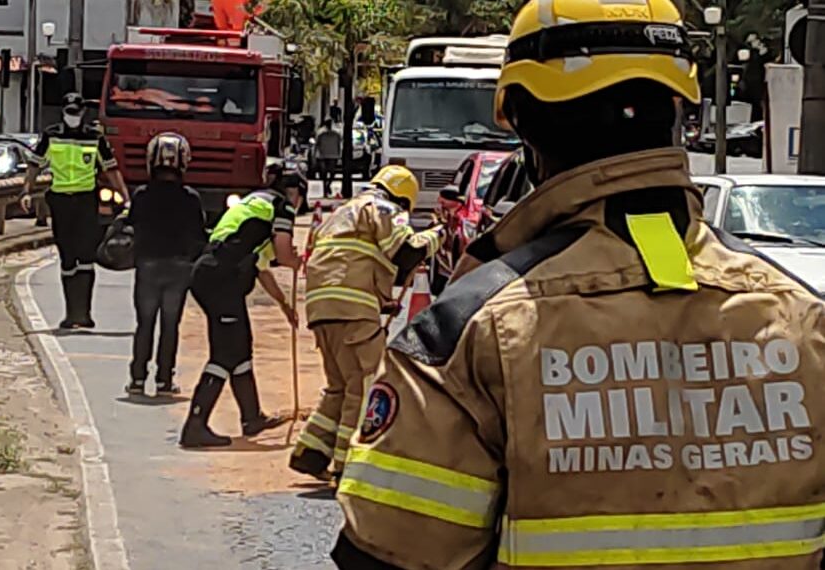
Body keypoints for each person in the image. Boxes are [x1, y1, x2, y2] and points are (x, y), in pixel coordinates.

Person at [332, 0, 825, 568]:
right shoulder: (804, 318)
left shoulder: (466, 333)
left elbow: (393, 550)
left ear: (522, 122)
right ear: (678, 111)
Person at [289, 165, 444, 482]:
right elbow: (406, 251)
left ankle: (311, 451)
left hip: (322, 308)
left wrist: (381, 296)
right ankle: (352, 464)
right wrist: (437, 234)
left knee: (340, 385)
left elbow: (353, 259)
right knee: (368, 383)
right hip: (353, 309)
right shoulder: (385, 208)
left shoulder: (341, 212)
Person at [179, 169, 306, 447]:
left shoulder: (254, 204)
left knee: (240, 347)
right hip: (220, 281)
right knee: (225, 354)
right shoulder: (280, 206)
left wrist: (284, 304)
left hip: (213, 276)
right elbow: (284, 253)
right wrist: (295, 263)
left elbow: (261, 268)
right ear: (295, 193)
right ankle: (195, 425)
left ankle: (251, 417)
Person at [21, 92, 129, 329]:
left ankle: (85, 313)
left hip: (86, 202)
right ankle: (71, 314)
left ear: (82, 113)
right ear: (63, 112)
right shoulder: (52, 135)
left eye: (76, 113)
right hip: (60, 202)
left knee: (87, 258)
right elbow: (34, 165)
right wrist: (26, 190)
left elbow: (111, 169)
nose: (73, 117)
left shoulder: (94, 138)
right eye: (69, 112)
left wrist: (125, 198)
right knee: (67, 258)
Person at [126, 133, 207, 396]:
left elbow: (131, 225)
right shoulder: (191, 198)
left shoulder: (141, 195)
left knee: (144, 324)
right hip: (179, 267)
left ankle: (137, 378)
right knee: (170, 325)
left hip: (147, 265)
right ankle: (164, 379)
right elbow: (199, 235)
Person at [315, 119, 342, 197]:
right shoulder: (334, 134)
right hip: (330, 155)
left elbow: (317, 144)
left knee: (326, 173)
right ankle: (326, 186)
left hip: (326, 155)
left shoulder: (322, 134)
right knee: (329, 172)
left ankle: (326, 186)